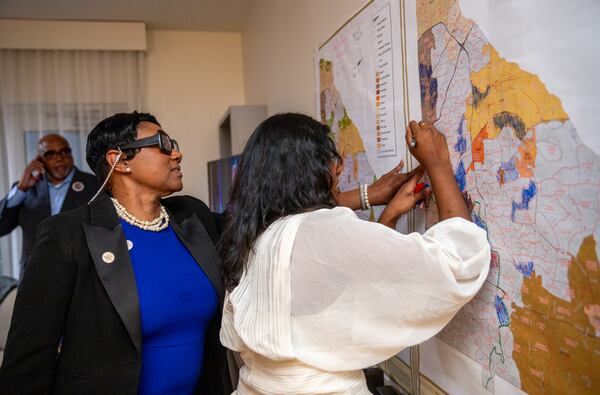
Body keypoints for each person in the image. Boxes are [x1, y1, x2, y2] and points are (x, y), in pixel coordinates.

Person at [0, 111, 413, 395]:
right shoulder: (69, 235)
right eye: (162, 143)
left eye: (174, 143)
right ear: (118, 160)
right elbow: (28, 358)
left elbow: (268, 220)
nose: (176, 152)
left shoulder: (190, 216)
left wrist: (369, 198)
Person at [219, 113, 491, 394]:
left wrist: (389, 215)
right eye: (330, 161)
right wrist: (438, 164)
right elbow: (458, 261)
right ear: (308, 171)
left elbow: (336, 292)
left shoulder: (252, 238)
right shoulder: (320, 231)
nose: (337, 171)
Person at [0, 134, 100, 275]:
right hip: (35, 274)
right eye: (50, 154)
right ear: (39, 160)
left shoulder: (95, 184)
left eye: (64, 152)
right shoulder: (26, 189)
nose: (60, 158)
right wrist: (21, 188)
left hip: (82, 274)